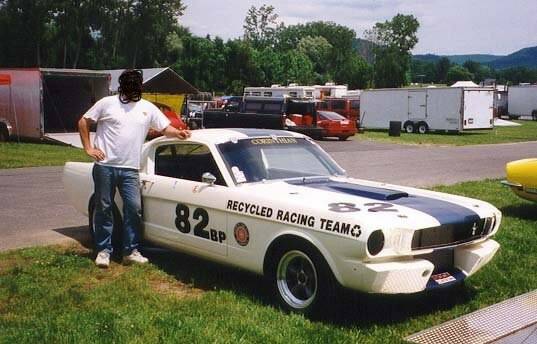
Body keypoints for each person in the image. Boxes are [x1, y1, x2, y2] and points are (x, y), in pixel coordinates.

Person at [78, 69, 191, 268]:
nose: (133, 91)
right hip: (105, 166)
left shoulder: (147, 108)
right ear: (122, 87)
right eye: (130, 87)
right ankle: (104, 251)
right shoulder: (107, 103)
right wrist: (88, 148)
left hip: (130, 169)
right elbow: (83, 122)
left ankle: (130, 251)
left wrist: (178, 133)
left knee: (134, 209)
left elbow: (165, 128)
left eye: (136, 87)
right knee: (104, 208)